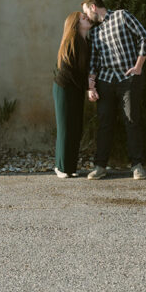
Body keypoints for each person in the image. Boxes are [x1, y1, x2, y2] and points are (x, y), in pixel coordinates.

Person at [81, 0, 146, 180]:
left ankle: (137, 165)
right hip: (105, 80)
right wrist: (91, 86)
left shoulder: (122, 16)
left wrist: (138, 67)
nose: (86, 16)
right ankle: (100, 166)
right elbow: (94, 62)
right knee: (104, 124)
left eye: (86, 11)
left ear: (94, 7)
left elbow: (144, 37)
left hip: (127, 78)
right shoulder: (95, 33)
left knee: (131, 120)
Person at [53, 10, 92, 178]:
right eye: (84, 17)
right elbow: (68, 71)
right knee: (66, 127)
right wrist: (87, 86)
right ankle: (60, 167)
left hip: (76, 88)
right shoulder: (72, 40)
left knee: (76, 127)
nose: (87, 18)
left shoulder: (86, 41)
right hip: (64, 88)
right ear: (76, 23)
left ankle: (70, 167)